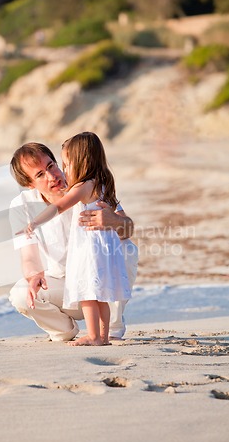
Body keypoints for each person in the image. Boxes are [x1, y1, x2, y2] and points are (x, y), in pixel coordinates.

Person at [8, 137, 138, 342]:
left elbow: (128, 228)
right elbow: (29, 256)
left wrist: (113, 220)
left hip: (100, 281)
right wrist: (33, 275)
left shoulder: (83, 185)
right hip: (63, 288)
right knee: (21, 294)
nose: (52, 176)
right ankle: (64, 331)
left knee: (126, 247)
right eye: (40, 174)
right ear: (29, 184)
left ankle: (111, 326)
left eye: (52, 166)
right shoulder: (21, 205)